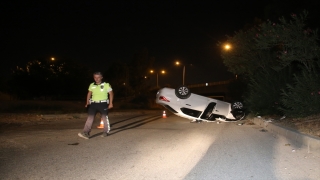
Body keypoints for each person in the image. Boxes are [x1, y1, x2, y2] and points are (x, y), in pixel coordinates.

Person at [78, 72, 114, 139]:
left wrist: (111, 103)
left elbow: (111, 94)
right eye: (95, 77)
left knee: (104, 118)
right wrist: (87, 102)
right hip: (93, 104)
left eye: (98, 77)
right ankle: (86, 133)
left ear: (101, 77)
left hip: (103, 104)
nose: (96, 79)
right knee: (90, 118)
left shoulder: (106, 84)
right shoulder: (92, 85)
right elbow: (89, 93)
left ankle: (105, 132)